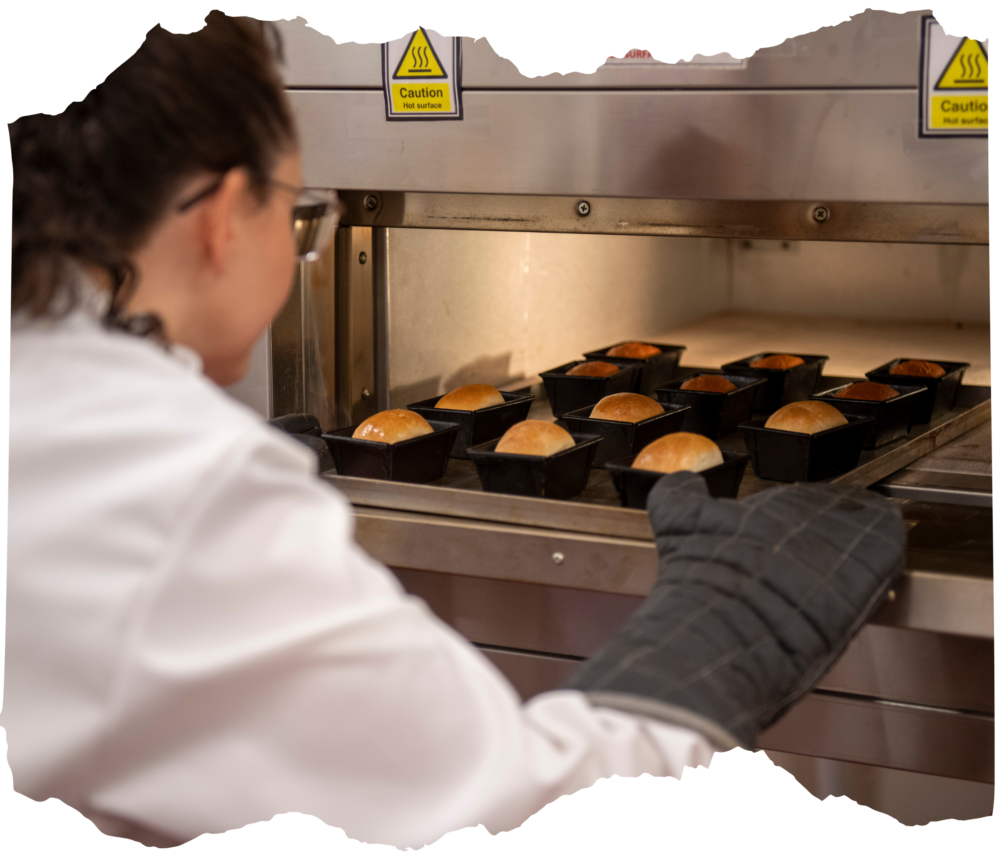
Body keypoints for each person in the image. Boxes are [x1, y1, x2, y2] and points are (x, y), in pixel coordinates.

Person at [4, 12, 906, 850]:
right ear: (219, 220)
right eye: (299, 213)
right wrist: (735, 621)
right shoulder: (169, 487)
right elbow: (504, 818)